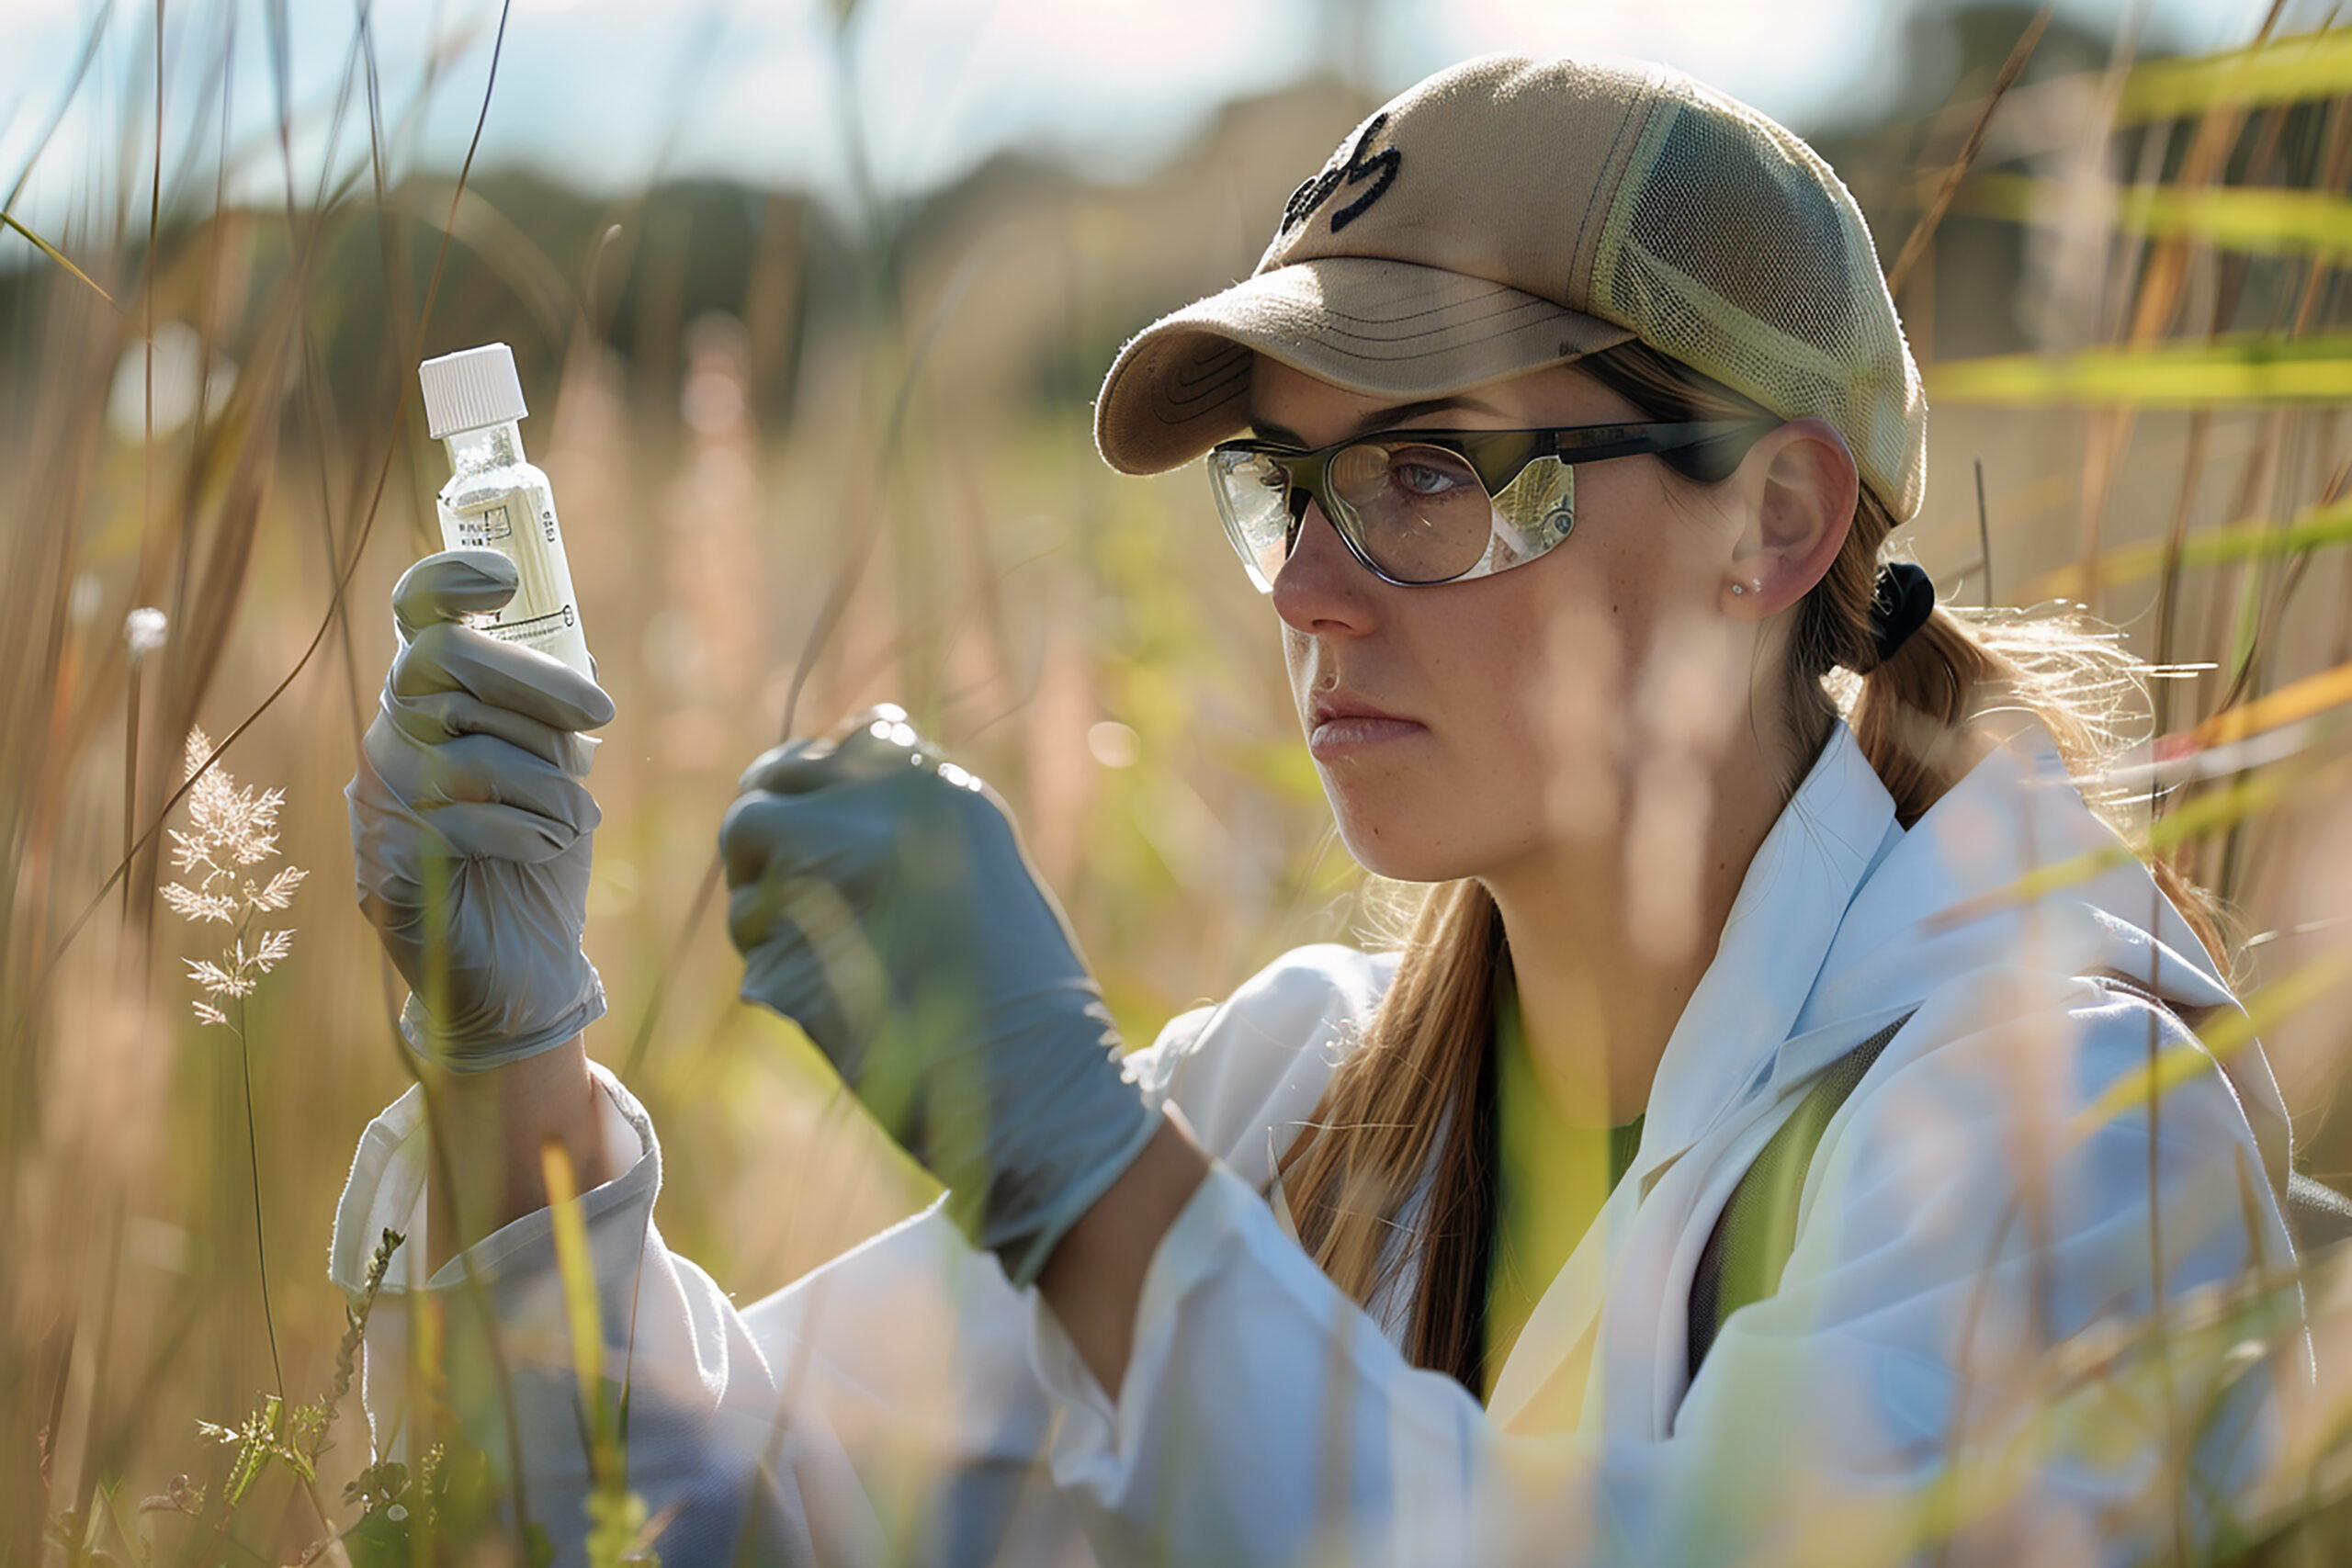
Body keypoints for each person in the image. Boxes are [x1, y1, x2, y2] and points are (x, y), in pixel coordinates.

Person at [337, 51, 2310, 1567]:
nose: (1303, 584)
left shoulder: (2074, 1123)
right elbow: (706, 1508)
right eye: (1287, 482)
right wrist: (507, 1058)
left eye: (1434, 469)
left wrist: (1092, 1195)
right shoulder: (1298, 1098)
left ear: (1771, 519)